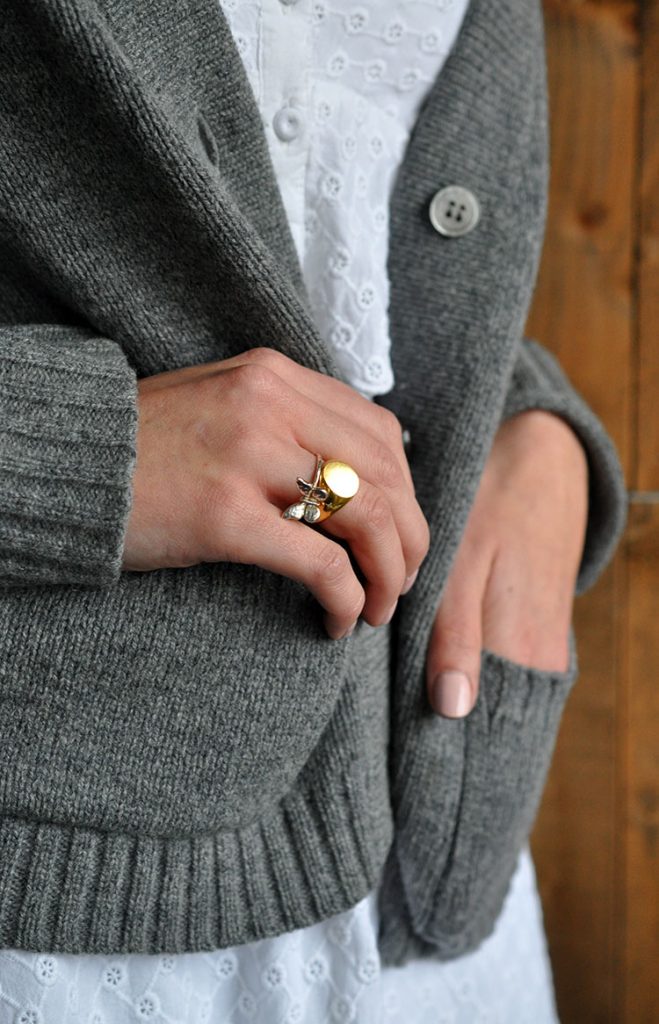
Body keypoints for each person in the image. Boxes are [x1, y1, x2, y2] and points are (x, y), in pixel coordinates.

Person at [0, 0, 627, 1021]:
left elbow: (332, 219)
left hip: (405, 871)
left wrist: (532, 432)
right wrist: (63, 443)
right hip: (59, 901)